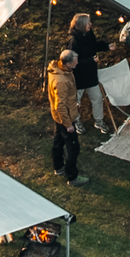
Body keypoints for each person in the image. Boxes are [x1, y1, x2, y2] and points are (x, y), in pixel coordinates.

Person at [67, 13, 116, 134]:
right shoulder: (74, 43)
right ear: (82, 25)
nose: (90, 24)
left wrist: (106, 46)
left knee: (97, 98)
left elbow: (94, 46)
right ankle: (76, 120)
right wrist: (90, 60)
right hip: (78, 77)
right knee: (76, 101)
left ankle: (98, 121)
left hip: (91, 75)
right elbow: (72, 63)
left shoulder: (89, 34)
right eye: (88, 23)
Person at [47, 49, 89, 186]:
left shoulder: (59, 69)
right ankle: (72, 177)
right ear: (68, 63)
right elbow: (60, 105)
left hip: (58, 117)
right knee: (73, 148)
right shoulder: (61, 81)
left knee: (58, 142)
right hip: (65, 118)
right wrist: (68, 124)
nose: (77, 64)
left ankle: (58, 167)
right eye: (75, 63)